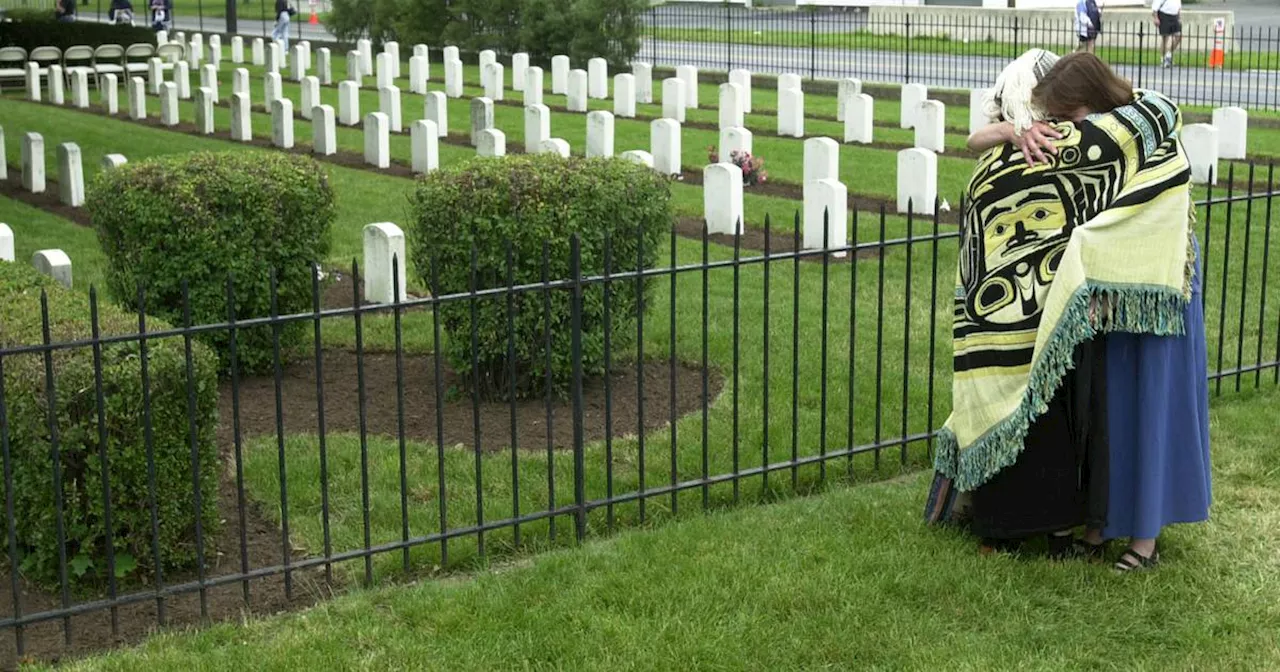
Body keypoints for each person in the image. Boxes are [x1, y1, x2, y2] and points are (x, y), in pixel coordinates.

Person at [926, 52, 1205, 572]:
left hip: (1154, 278)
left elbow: (1090, 147)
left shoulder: (1144, 117)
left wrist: (1039, 137)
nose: (1060, 127)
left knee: (1148, 404)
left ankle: (1144, 540)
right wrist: (1015, 132)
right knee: (1109, 410)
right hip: (1105, 285)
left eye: (1068, 114)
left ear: (1093, 99)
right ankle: (1099, 527)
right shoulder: (1088, 126)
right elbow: (978, 142)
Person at [1153, 0, 1182, 68]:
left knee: (1178, 36)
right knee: (1165, 38)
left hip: (1174, 16)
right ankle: (1163, 59)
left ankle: (1168, 55)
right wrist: (1156, 18)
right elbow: (1155, 7)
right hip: (1164, 15)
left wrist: (1179, 17)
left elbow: (1179, 7)